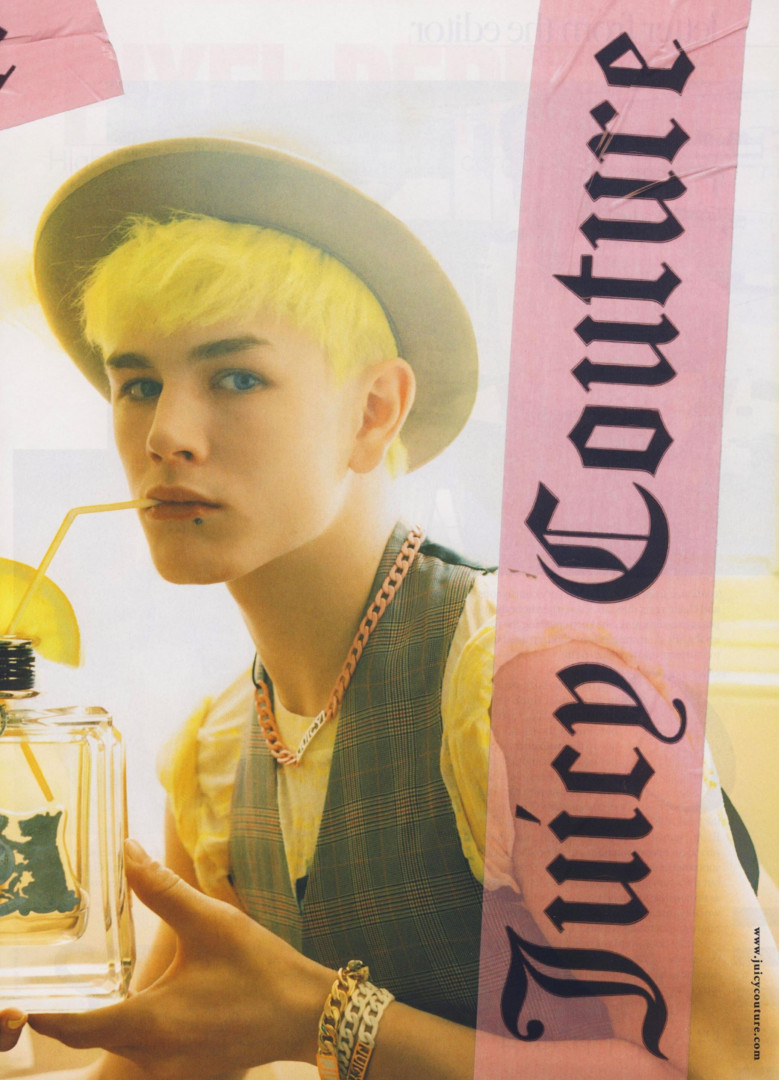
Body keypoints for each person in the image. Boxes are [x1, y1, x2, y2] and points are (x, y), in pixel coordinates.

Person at [0, 138, 774, 1080]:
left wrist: (327, 1021)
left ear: (373, 411)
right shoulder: (216, 755)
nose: (166, 434)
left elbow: (747, 1062)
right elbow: (163, 1057)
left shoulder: (536, 688)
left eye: (236, 377)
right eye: (138, 384)